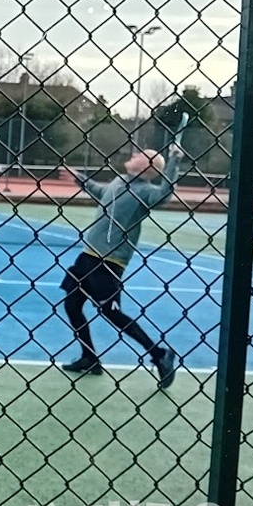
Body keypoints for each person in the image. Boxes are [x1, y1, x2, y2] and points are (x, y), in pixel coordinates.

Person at [60, 146, 184, 388]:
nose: (134, 154)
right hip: (87, 256)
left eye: (141, 155)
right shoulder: (120, 181)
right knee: (72, 305)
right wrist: (80, 179)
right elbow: (99, 191)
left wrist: (173, 162)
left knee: (112, 313)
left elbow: (165, 194)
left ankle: (159, 354)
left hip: (109, 262)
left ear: (148, 167)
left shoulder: (146, 192)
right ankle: (89, 357)